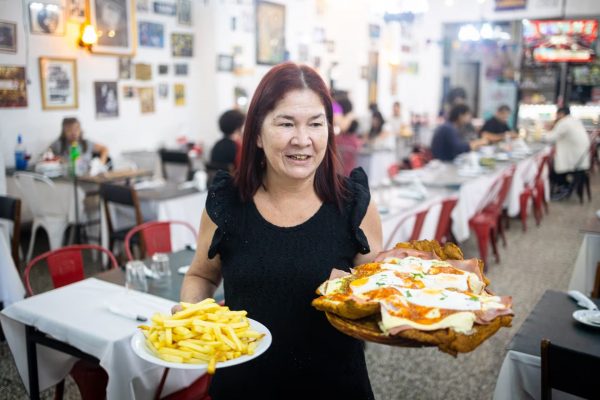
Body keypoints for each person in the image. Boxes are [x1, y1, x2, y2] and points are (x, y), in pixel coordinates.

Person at [178, 62, 382, 399]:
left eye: (316, 124)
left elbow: (378, 293)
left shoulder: (354, 204)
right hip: (244, 385)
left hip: (334, 386)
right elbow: (200, 275)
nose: (302, 140)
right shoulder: (227, 203)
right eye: (286, 123)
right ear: (256, 133)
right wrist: (191, 313)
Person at [545, 106, 591, 200]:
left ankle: (565, 187)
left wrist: (547, 130)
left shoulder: (564, 122)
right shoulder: (574, 121)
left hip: (574, 160)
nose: (556, 117)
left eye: (557, 115)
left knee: (550, 169)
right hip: (580, 158)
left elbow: (550, 138)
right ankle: (565, 187)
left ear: (561, 114)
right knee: (553, 165)